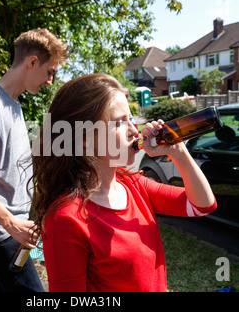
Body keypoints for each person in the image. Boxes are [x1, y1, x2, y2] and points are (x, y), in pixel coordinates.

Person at [31, 73, 217, 292]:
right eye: (119, 122)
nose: (134, 130)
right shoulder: (66, 218)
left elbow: (202, 205)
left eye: (131, 118)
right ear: (83, 138)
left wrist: (179, 152)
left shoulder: (134, 185)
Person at [0, 28, 69, 292]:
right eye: (50, 71)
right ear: (32, 62)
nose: (50, 81)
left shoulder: (15, 104)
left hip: (15, 226)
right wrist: (10, 223)